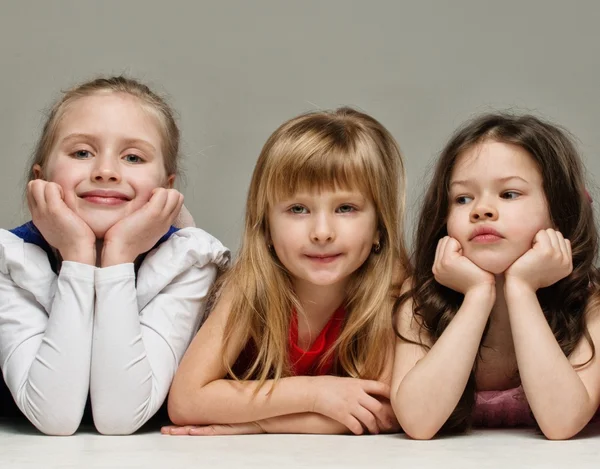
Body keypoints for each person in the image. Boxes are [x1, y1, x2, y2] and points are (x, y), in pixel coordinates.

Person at [0, 76, 229, 435]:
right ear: (40, 179)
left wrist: (119, 256)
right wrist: (77, 255)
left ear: (166, 189)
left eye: (133, 157)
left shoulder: (187, 261)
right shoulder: (10, 260)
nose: (105, 171)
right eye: (81, 153)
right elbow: (53, 416)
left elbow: (120, 416)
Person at [163, 107, 408, 435]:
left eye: (346, 208)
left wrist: (256, 422)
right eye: (298, 209)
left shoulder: (392, 292)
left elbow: (385, 413)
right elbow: (186, 401)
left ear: (380, 226)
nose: (322, 232)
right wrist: (315, 394)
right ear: (265, 227)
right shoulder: (250, 287)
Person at [391, 113, 600, 440]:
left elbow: (561, 422)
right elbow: (418, 422)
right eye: (463, 198)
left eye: (509, 194)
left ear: (560, 212)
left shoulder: (591, 302)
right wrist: (478, 295)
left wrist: (521, 289)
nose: (481, 210)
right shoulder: (420, 296)